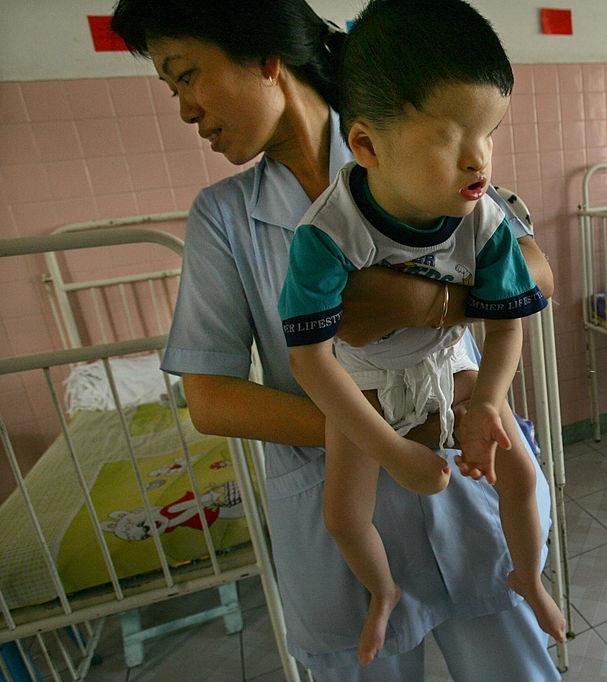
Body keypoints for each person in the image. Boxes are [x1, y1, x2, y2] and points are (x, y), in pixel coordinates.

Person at [109, 1, 561, 680]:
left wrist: (420, 301)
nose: (186, 108)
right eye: (173, 88)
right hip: (341, 505)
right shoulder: (224, 219)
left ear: (267, 59)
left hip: (465, 488)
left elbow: (537, 273)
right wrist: (375, 433)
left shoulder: (419, 132)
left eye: (188, 75)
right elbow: (210, 400)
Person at [277, 0, 565, 665]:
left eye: (489, 133)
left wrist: (489, 399)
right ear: (369, 144)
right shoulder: (326, 233)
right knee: (344, 516)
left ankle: (527, 572)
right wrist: (392, 450)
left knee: (517, 471)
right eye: (450, 137)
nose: (479, 160)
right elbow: (312, 364)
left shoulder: (483, 218)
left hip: (445, 360)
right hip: (363, 374)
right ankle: (383, 591)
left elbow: (506, 324)